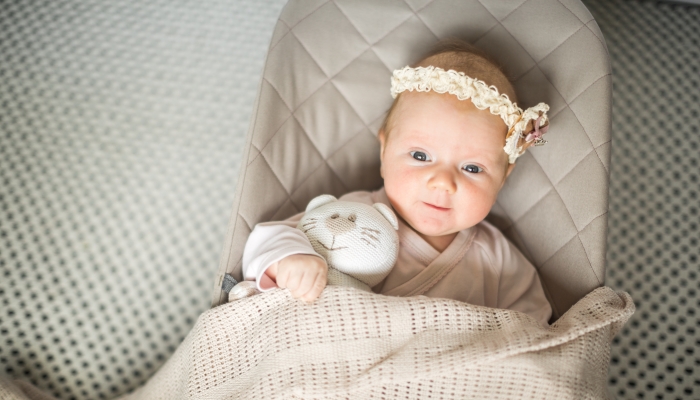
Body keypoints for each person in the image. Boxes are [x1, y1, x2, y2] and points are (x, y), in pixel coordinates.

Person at [241, 39, 553, 327]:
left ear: (503, 177)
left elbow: (534, 331)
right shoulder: (354, 213)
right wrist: (290, 261)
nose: (443, 182)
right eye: (420, 155)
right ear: (384, 151)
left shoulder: (500, 261)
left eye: (472, 167)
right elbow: (269, 239)